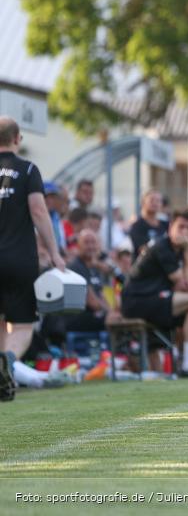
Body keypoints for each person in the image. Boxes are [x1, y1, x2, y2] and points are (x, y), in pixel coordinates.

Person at [0, 117, 67, 400]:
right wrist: (55, 253)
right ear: (18, 138)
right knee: (22, 325)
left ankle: (3, 379)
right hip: (19, 258)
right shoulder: (27, 169)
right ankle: (8, 361)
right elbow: (39, 211)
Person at [121, 210, 188, 377]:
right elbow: (186, 283)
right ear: (171, 227)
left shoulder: (187, 252)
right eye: (181, 227)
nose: (184, 232)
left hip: (159, 300)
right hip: (138, 301)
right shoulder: (161, 247)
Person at [64, 230, 122, 335]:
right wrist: (109, 313)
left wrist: (111, 311)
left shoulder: (93, 267)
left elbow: (100, 295)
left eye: (93, 242)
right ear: (78, 246)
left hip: (91, 315)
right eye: (86, 243)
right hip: (77, 318)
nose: (90, 246)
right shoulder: (76, 267)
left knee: (119, 317)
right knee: (115, 321)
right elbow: (92, 302)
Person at [129, 189, 168, 254]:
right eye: (151, 200)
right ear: (143, 202)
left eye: (158, 201)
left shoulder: (166, 224)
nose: (155, 203)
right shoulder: (137, 226)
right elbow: (143, 250)